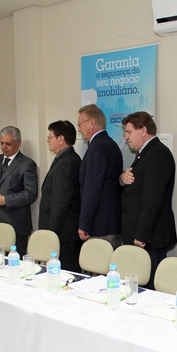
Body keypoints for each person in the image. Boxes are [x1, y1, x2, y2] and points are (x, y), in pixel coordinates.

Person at [120, 112, 177, 289]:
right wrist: (122, 178)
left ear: (143, 130)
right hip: (142, 234)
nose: (126, 137)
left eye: (129, 132)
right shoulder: (145, 153)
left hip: (148, 238)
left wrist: (141, 235)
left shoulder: (157, 154)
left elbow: (153, 199)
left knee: (149, 288)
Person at [0, 126, 38, 257]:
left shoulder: (27, 164)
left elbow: (31, 193)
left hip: (16, 225)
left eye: (8, 144)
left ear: (18, 143)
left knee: (15, 264)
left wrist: (7, 200)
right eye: (1, 143)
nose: (4, 147)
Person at [38, 120, 82, 273]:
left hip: (63, 235)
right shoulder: (67, 159)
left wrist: (50, 235)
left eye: (50, 137)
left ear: (61, 139)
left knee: (66, 275)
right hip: (65, 233)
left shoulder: (66, 163)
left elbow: (59, 204)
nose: (48, 140)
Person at [77, 104, 123, 248]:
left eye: (80, 124)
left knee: (97, 262)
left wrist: (84, 223)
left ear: (92, 123)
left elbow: (92, 189)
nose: (79, 129)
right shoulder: (111, 145)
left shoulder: (97, 148)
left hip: (99, 225)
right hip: (110, 222)